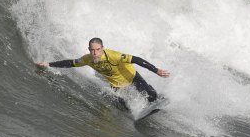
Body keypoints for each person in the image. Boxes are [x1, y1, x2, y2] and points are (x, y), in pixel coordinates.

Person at [36, 37, 170, 106]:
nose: (95, 53)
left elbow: (136, 59)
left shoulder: (114, 55)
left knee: (151, 97)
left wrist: (156, 70)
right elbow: (70, 63)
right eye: (92, 50)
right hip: (117, 86)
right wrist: (49, 64)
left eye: (98, 49)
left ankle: (154, 93)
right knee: (123, 107)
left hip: (132, 77)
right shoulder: (87, 59)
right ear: (89, 49)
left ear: (102, 48)